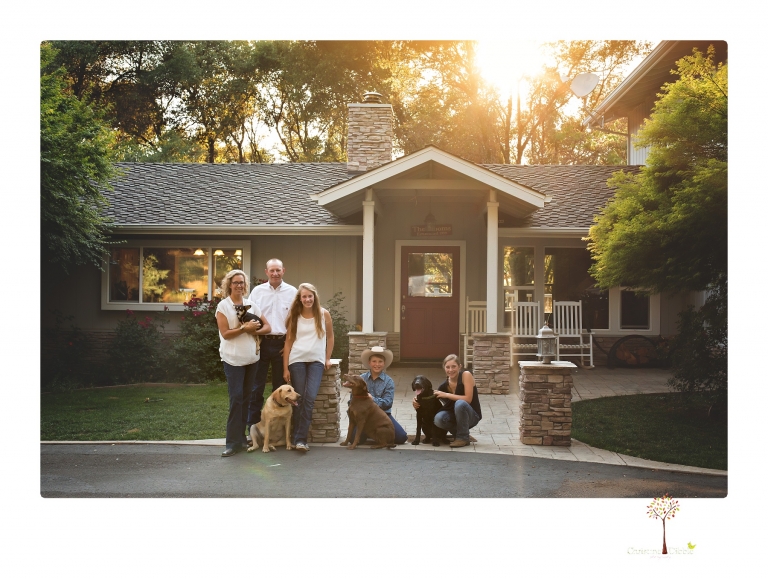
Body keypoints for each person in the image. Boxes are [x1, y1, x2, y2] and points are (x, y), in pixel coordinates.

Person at [215, 269, 272, 457]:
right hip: (233, 360)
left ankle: (241, 439)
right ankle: (231, 443)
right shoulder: (223, 307)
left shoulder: (251, 305)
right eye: (235, 282)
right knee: (236, 399)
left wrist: (255, 330)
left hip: (251, 359)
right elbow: (225, 334)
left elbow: (267, 327)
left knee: (246, 399)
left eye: (242, 282)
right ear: (229, 285)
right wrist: (244, 328)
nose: (239, 285)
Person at [247, 258, 297, 431]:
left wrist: (289, 344)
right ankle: (252, 429)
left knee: (280, 390)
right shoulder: (257, 292)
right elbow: (250, 316)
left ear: (284, 270)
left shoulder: (293, 292)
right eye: (272, 270)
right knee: (256, 388)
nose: (275, 273)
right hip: (261, 343)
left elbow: (295, 321)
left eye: (278, 270)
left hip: (282, 345)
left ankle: (278, 431)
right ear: (266, 272)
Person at [283, 283, 334, 452]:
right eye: (304, 296)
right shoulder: (295, 315)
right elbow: (288, 342)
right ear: (300, 298)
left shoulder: (323, 314)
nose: (307, 299)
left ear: (314, 296)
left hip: (316, 361)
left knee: (310, 397)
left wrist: (327, 358)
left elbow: (331, 337)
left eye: (310, 296)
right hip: (297, 359)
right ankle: (299, 439)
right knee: (300, 397)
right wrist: (285, 368)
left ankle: (299, 438)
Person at [414, 354, 482, 448]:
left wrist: (446, 395)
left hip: (472, 416)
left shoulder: (466, 375)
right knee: (438, 418)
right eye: (448, 367)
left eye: (454, 366)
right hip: (456, 418)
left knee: (460, 403)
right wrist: (415, 401)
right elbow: (429, 396)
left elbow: (468, 399)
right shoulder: (443, 386)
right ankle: (458, 434)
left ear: (460, 366)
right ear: (444, 368)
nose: (451, 370)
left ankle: (462, 438)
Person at [347, 346, 408, 445]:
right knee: (353, 439)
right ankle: (371, 434)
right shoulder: (361, 378)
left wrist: (372, 399)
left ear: (384, 364)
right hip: (362, 416)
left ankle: (375, 433)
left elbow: (388, 403)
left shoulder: (389, 381)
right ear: (369, 363)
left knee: (401, 437)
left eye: (380, 362)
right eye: (374, 361)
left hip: (382, 416)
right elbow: (351, 400)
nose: (377, 364)